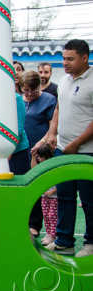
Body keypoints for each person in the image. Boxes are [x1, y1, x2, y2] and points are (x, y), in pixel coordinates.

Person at [34, 39, 93, 257]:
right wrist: (51, 133)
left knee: (89, 200)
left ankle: (90, 243)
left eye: (70, 59)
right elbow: (59, 107)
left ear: (84, 58)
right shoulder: (64, 81)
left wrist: (76, 144)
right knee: (65, 196)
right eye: (64, 58)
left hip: (87, 151)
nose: (65, 63)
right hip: (62, 148)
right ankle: (64, 240)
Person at [21, 70, 57, 237]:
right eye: (25, 90)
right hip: (22, 149)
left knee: (38, 187)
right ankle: (21, 221)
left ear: (39, 86)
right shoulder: (18, 100)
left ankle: (35, 224)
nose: (28, 94)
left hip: (40, 151)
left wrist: (41, 142)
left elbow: (53, 127)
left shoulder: (48, 100)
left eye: (32, 90)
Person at [32, 143, 58, 246]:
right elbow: (34, 170)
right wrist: (33, 157)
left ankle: (53, 235)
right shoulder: (42, 166)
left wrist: (52, 191)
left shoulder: (54, 167)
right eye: (38, 157)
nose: (39, 159)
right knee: (46, 215)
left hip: (54, 197)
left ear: (47, 156)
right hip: (45, 196)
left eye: (41, 157)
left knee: (53, 216)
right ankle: (49, 234)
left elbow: (60, 182)